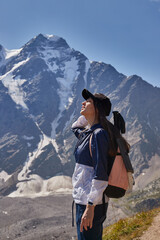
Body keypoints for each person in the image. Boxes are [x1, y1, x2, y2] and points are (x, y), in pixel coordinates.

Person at [71, 88, 121, 240]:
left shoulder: (99, 135)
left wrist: (90, 207)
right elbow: (75, 127)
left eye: (88, 102)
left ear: (97, 109)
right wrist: (90, 117)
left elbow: (101, 174)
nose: (83, 103)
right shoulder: (89, 133)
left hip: (91, 203)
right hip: (85, 200)